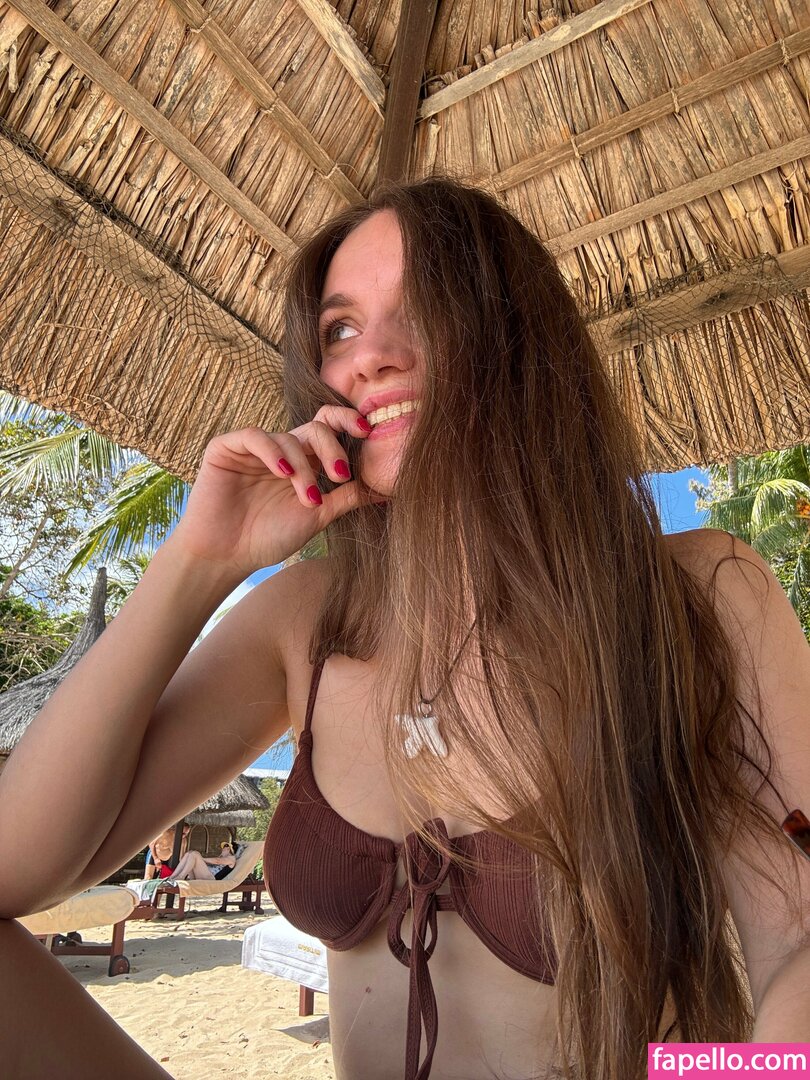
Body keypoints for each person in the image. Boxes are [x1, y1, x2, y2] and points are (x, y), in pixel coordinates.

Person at [0, 178, 808, 1080]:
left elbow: (797, 945)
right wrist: (199, 561)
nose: (371, 359)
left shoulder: (693, 595)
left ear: (517, 334)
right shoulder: (303, 620)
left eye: (423, 307)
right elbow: (11, 871)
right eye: (340, 329)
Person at [164, 842, 237, 884]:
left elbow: (217, 861)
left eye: (225, 847)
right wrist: (200, 860)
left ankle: (181, 877)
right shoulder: (223, 857)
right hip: (204, 876)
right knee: (189, 853)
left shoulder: (231, 859)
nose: (222, 849)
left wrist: (201, 859)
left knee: (195, 854)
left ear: (229, 849)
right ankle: (172, 877)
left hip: (211, 879)